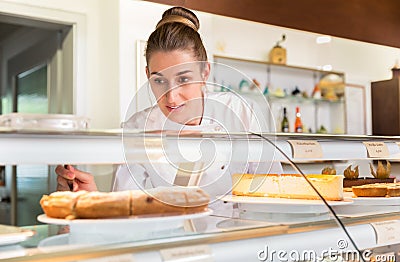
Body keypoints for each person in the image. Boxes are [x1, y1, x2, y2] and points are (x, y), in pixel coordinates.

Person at [56, 7, 281, 202]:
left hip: (237, 240)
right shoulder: (137, 128)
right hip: (166, 244)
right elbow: (129, 211)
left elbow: (274, 193)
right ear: (147, 76)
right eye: (159, 80)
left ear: (205, 72)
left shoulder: (239, 111)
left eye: (183, 79)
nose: (171, 98)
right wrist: (91, 198)